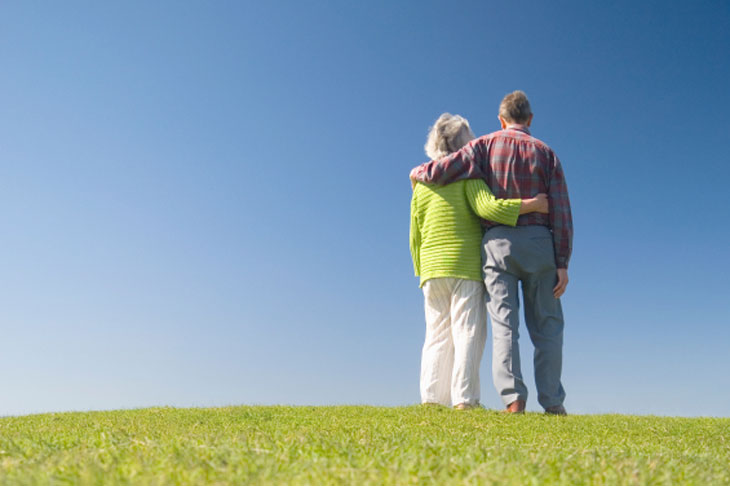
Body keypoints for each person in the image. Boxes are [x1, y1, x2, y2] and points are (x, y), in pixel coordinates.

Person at [410, 92, 573, 415]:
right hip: (539, 243)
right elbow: (561, 210)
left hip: (492, 247)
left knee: (503, 325)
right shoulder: (547, 153)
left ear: (500, 119)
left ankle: (512, 400)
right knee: (547, 326)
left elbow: (442, 172)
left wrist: (419, 173)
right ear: (530, 118)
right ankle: (552, 403)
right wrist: (562, 261)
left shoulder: (482, 146)